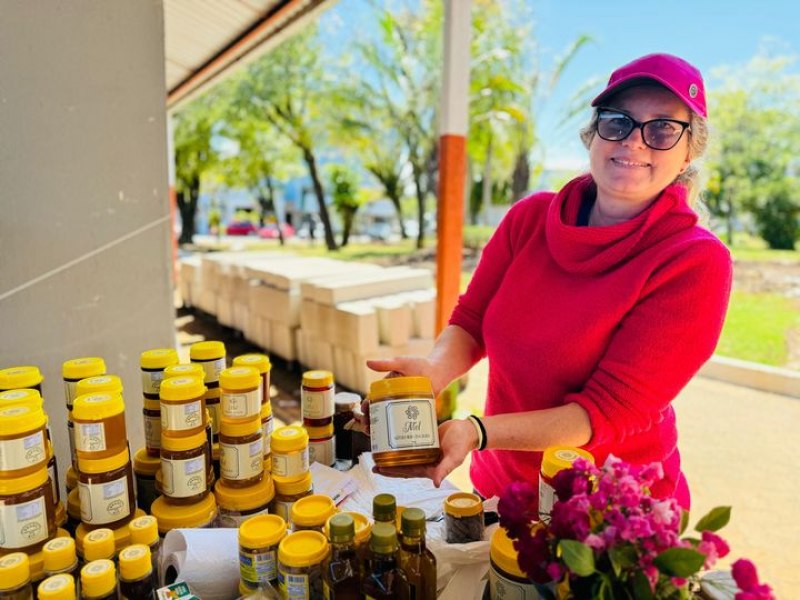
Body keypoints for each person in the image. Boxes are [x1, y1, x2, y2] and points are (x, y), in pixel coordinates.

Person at [366, 53, 732, 510]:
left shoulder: (694, 261)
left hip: (604, 515)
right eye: (618, 122)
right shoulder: (530, 219)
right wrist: (435, 371)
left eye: (662, 129)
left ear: (688, 151)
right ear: (594, 134)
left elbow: (601, 413)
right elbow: (473, 320)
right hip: (501, 485)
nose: (635, 142)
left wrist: (477, 432)